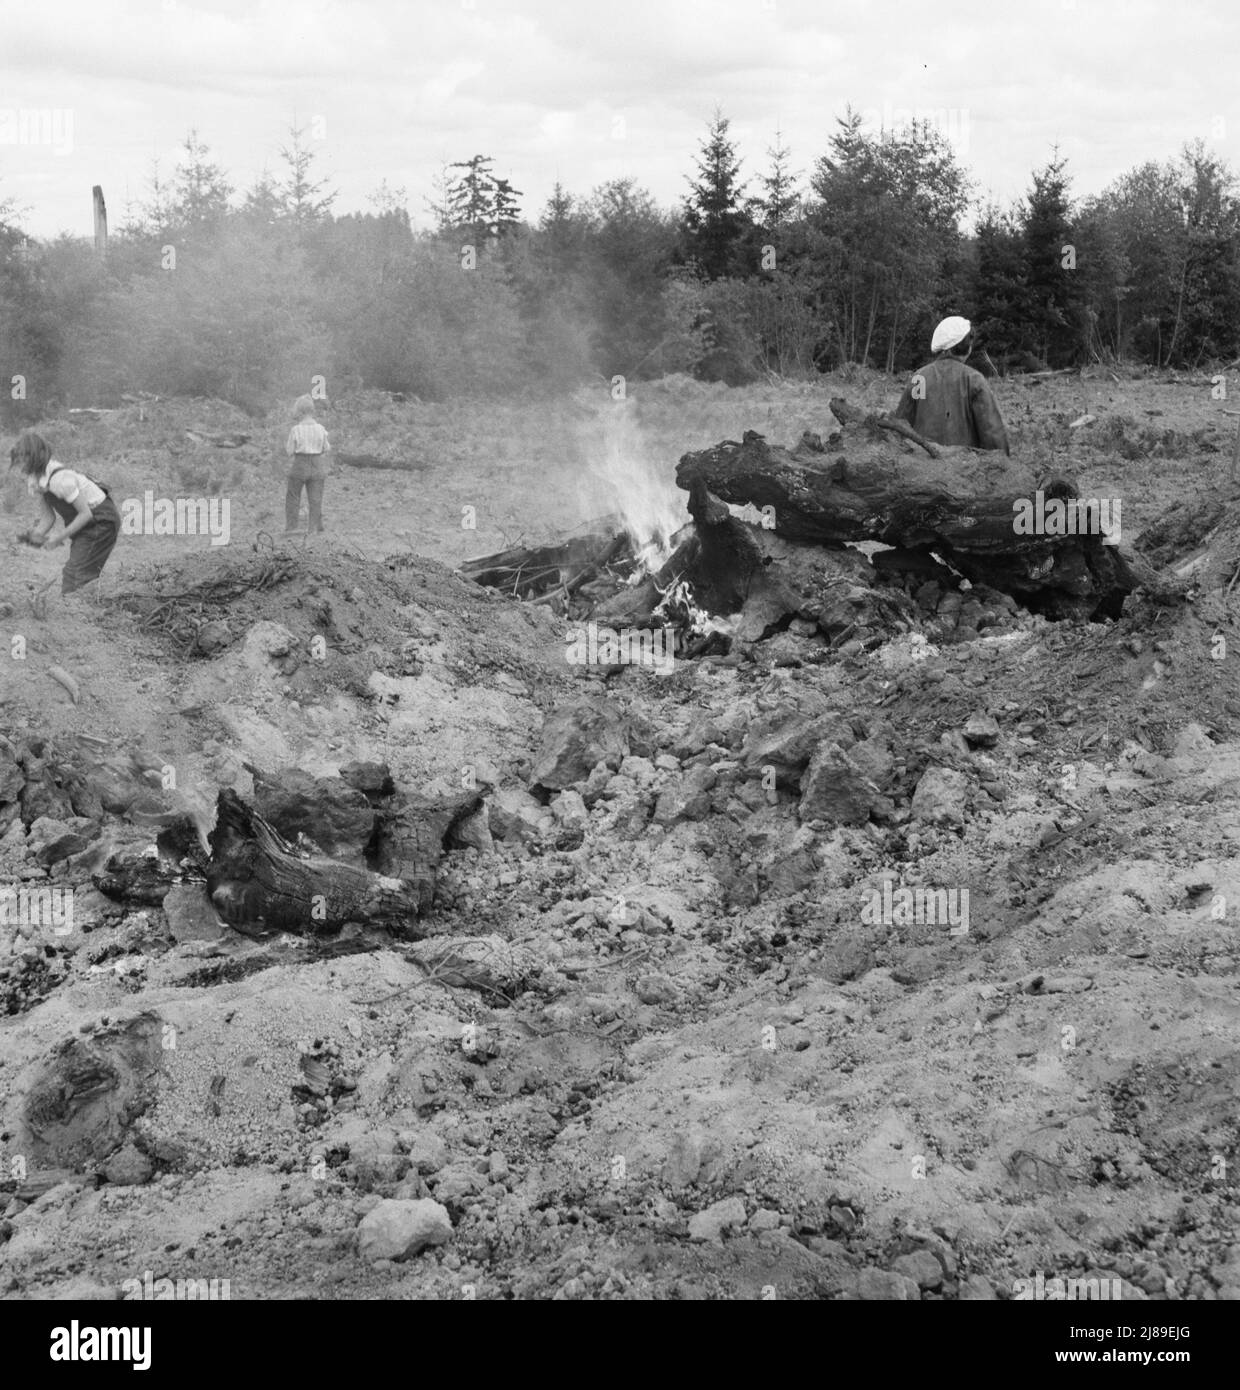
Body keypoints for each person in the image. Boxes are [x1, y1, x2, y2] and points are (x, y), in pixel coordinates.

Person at [9, 429, 120, 605]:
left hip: (101, 521)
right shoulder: (36, 480)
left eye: (23, 459)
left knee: (76, 574)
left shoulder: (60, 479)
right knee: (78, 572)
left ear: (34, 457)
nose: (20, 465)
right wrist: (35, 537)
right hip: (87, 523)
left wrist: (58, 537)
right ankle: (85, 607)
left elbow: (86, 514)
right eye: (18, 460)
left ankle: (80, 614)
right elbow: (48, 518)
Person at [891, 316, 1010, 453]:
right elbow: (993, 435)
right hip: (963, 469)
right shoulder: (974, 379)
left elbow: (900, 427)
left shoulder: (919, 378)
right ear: (968, 347)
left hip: (920, 465)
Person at [285, 394, 331, 533]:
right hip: (317, 463)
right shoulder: (321, 429)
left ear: (300, 412)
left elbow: (289, 451)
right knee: (315, 498)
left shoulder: (296, 430)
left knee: (293, 495)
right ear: (312, 411)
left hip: (300, 463)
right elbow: (327, 448)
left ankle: (292, 527)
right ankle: (314, 527)